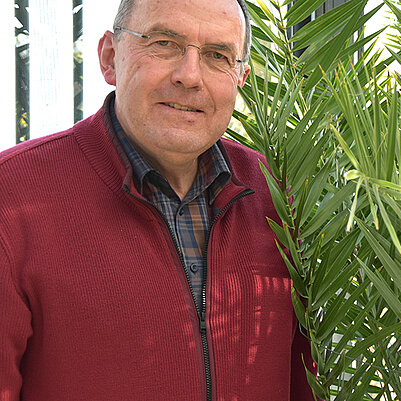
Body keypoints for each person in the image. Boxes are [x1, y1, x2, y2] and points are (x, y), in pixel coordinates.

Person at [0, 1, 314, 399]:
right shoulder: (11, 198)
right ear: (110, 58)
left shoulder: (277, 197)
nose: (190, 76)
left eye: (218, 56)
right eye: (164, 43)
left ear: (240, 78)